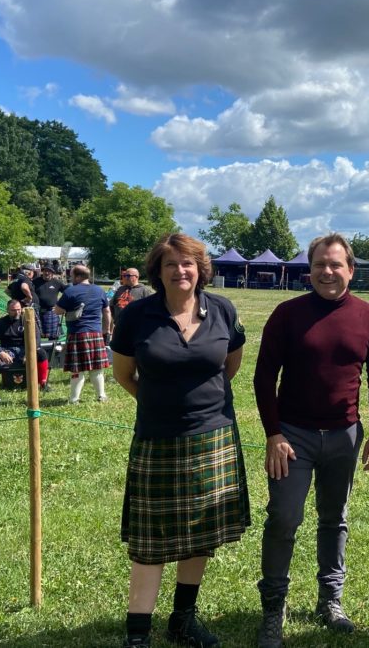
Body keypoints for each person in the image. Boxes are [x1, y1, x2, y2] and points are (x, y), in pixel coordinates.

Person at [110, 233, 249, 648]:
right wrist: (157, 402)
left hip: (212, 437)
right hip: (158, 439)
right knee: (150, 542)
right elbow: (123, 374)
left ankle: (182, 620)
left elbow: (230, 365)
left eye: (187, 263)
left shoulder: (222, 310)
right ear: (158, 271)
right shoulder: (137, 315)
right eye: (171, 264)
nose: (180, 271)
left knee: (201, 533)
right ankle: (137, 634)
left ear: (200, 268)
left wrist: (201, 406)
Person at [253, 234, 369, 647]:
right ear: (308, 269)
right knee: (284, 519)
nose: (327, 273)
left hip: (345, 435)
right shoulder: (287, 314)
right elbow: (263, 378)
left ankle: (330, 601)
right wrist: (273, 435)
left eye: (335, 265)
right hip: (292, 437)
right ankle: (273, 609)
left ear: (351, 268)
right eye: (319, 265)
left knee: (335, 519)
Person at [54, 265, 111, 404]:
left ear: (78, 277)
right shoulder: (99, 290)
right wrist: (106, 330)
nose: (71, 278)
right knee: (97, 367)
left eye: (72, 275)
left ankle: (74, 399)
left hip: (77, 334)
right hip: (95, 333)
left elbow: (58, 311)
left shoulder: (70, 291)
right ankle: (101, 396)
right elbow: (107, 312)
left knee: (77, 368)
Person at [0, 300, 50, 396]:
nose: (17, 312)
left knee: (41, 353)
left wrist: (29, 353)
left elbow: (37, 339)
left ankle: (43, 382)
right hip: (7, 350)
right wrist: (1, 353)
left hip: (25, 349)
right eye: (13, 310)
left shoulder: (28, 321)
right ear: (7, 310)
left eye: (18, 309)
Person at [109, 268, 154, 336]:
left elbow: (152, 308)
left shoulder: (145, 290)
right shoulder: (120, 289)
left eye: (128, 275)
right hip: (120, 327)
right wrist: (116, 319)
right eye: (124, 275)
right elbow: (112, 305)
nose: (125, 277)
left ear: (136, 277)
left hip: (138, 329)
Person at [34, 267, 65, 340]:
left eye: (49, 271)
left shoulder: (57, 282)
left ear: (52, 273)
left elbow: (67, 293)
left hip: (52, 312)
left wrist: (61, 304)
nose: (47, 273)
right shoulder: (35, 282)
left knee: (54, 336)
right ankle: (37, 350)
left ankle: (54, 351)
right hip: (38, 312)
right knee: (35, 335)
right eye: (45, 271)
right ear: (42, 272)